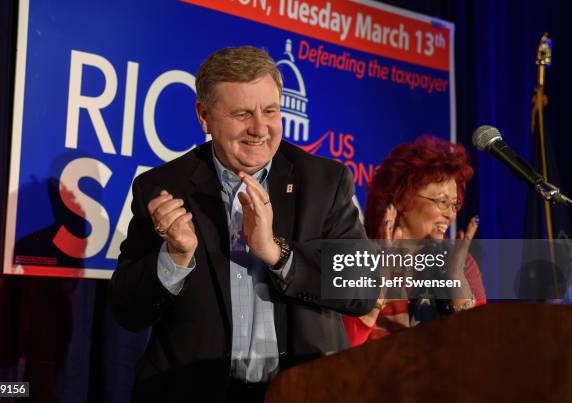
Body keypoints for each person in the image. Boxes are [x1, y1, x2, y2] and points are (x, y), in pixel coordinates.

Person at [109, 46, 373, 402]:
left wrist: (276, 253)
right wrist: (174, 258)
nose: (260, 128)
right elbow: (128, 311)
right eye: (242, 114)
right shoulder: (161, 187)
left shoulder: (324, 181)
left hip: (303, 390)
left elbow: (360, 288)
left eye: (270, 111)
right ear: (204, 116)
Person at [343, 136, 487, 346]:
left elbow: (479, 347)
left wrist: (456, 278)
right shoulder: (359, 257)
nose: (450, 214)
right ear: (402, 198)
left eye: (454, 205)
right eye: (442, 202)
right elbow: (343, 347)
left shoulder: (461, 262)